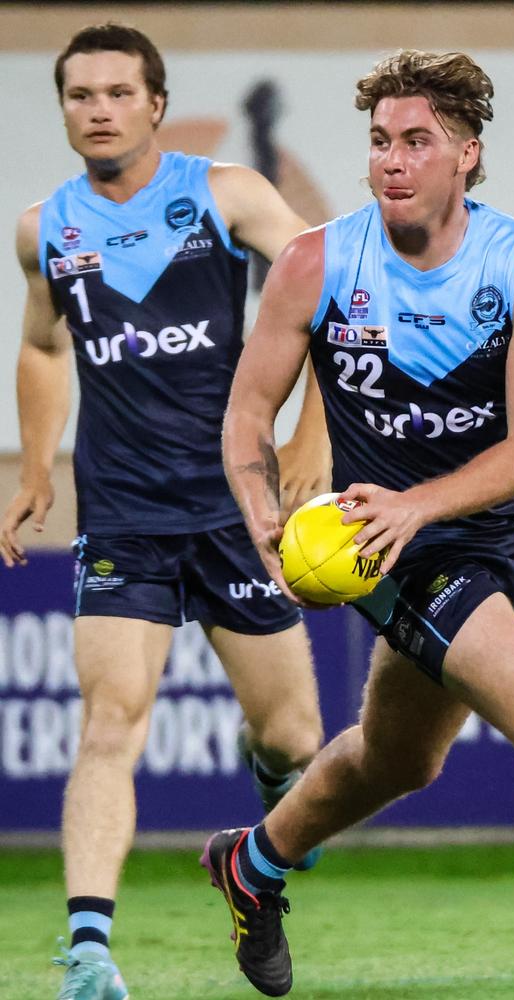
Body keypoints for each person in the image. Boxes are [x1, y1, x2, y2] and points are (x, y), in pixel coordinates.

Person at [204, 49, 514, 1000]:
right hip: (379, 545)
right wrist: (262, 517)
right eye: (378, 142)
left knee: (402, 757)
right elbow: (246, 418)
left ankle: (255, 862)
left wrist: (422, 503)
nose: (392, 160)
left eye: (417, 141)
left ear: (466, 158)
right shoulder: (317, 263)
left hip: (471, 531)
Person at [0, 22, 331, 1000]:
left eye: (116, 92)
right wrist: (33, 465)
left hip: (235, 510)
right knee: (110, 720)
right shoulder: (41, 228)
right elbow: (45, 347)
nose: (97, 109)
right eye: (78, 95)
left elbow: (319, 289)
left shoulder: (223, 193)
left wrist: (311, 438)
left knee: (295, 741)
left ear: (154, 101)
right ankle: (90, 952)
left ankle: (261, 830)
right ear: (62, 109)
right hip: (125, 515)